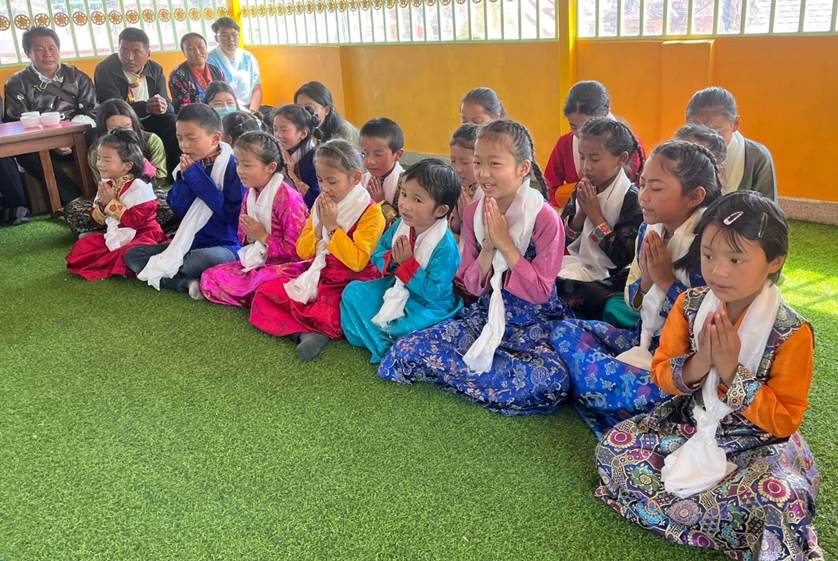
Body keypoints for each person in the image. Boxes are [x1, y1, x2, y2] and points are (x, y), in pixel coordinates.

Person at [595, 191, 821, 560]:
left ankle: (684, 512)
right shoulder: (690, 304)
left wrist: (732, 370)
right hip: (691, 423)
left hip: (757, 444)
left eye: (736, 259)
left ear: (773, 262)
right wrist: (702, 361)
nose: (718, 270)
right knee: (614, 449)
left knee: (783, 497)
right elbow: (663, 373)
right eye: (709, 255)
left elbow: (784, 419)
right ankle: (722, 524)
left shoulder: (792, 333)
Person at [377, 120, 569, 415]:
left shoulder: (545, 220)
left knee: (551, 382)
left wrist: (506, 245)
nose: (483, 174)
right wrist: (489, 250)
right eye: (478, 162)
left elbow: (542, 292)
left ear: (523, 168)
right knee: (405, 351)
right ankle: (486, 381)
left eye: (494, 164)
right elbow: (471, 285)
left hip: (532, 321)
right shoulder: (474, 213)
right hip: (483, 313)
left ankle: (470, 376)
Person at [550, 140, 721, 437]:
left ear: (694, 196)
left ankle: (624, 395)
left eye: (656, 189)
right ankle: (620, 394)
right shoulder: (650, 229)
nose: (643, 196)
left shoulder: (706, 246)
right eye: (642, 185)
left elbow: (703, 327)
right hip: (641, 338)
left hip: (680, 362)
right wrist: (647, 279)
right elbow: (633, 302)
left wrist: (666, 281)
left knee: (671, 393)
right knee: (565, 331)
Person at [249, 139, 386, 362]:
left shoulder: (371, 213)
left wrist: (332, 227)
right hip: (318, 272)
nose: (325, 188)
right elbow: (304, 252)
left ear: (355, 178)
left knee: (328, 314)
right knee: (264, 294)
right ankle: (303, 333)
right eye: (321, 180)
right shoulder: (321, 203)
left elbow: (357, 261)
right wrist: (320, 225)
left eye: (332, 181)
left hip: (350, 280)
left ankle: (315, 330)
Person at [341, 159, 463, 363]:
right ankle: (387, 342)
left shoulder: (446, 248)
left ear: (441, 210)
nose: (405, 204)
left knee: (409, 324)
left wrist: (408, 264)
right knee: (353, 292)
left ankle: (383, 341)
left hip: (428, 303)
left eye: (417, 200)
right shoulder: (401, 224)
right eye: (404, 194)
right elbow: (378, 253)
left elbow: (434, 293)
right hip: (397, 286)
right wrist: (395, 262)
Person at [124, 103, 244, 295]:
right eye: (180, 138)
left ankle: (181, 274)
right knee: (132, 255)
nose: (184, 145)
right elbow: (179, 209)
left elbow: (231, 217)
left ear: (215, 138)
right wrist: (186, 178)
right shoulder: (185, 167)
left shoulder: (233, 168)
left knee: (198, 261)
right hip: (190, 243)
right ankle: (185, 283)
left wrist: (196, 178)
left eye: (191, 138)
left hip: (224, 245)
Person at [199, 131, 308, 307]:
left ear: (270, 167)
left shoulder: (287, 197)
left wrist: (263, 237)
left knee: (267, 281)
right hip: (259, 261)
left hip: (289, 267)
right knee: (210, 275)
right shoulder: (250, 193)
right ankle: (258, 298)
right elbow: (244, 236)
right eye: (238, 164)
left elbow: (299, 250)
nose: (239, 171)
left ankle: (260, 297)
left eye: (247, 165)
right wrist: (251, 236)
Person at [556, 117, 644, 320]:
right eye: (582, 157)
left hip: (613, 277)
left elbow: (622, 258)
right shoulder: (583, 189)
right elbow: (564, 240)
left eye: (594, 159)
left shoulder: (632, 199)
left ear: (621, 158)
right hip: (579, 265)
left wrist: (596, 216)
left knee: (588, 294)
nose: (586, 166)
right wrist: (581, 213)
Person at [4, 27, 96, 206]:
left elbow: (92, 111)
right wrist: (52, 142)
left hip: (79, 137)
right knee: (27, 155)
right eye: (39, 49)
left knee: (104, 138)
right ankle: (77, 203)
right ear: (28, 53)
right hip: (39, 143)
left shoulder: (77, 77)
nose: (48, 54)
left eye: (52, 48)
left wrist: (70, 137)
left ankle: (109, 193)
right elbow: (16, 121)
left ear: (59, 50)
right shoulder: (16, 84)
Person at [65, 129, 166, 280]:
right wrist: (102, 205)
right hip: (118, 234)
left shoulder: (138, 186)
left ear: (127, 166)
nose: (100, 164)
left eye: (106, 160)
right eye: (99, 159)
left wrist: (111, 203)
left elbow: (134, 222)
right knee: (83, 247)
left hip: (143, 235)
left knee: (127, 253)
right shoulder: (106, 184)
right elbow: (96, 220)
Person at [63, 99, 171, 237]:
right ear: (104, 130)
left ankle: (113, 230)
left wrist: (140, 169)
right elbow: (101, 185)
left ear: (134, 124)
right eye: (113, 129)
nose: (121, 132)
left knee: (169, 204)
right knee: (73, 210)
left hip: (145, 197)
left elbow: (161, 179)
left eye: (127, 126)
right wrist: (110, 201)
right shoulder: (98, 151)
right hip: (114, 195)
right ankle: (114, 229)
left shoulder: (151, 140)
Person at [93, 27, 180, 176]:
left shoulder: (155, 69)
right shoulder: (104, 69)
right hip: (121, 123)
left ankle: (175, 176)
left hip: (151, 121)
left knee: (172, 122)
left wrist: (163, 106)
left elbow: (166, 101)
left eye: (136, 51)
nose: (129, 57)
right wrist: (145, 107)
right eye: (124, 50)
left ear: (147, 54)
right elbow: (113, 106)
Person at [544, 81, 645, 208]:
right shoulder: (564, 144)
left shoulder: (629, 146)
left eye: (595, 159)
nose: (580, 133)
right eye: (573, 126)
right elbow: (548, 189)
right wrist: (576, 201)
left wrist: (593, 208)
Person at [686, 86, 777, 201]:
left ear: (735, 124)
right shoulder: (676, 154)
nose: (706, 141)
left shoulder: (757, 158)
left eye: (717, 132)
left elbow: (768, 212)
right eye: (697, 131)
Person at [207, 17, 263, 111]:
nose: (231, 39)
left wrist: (252, 113)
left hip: (250, 108)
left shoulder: (248, 57)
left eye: (234, 34)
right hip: (224, 109)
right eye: (224, 35)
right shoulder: (210, 60)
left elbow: (257, 88)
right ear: (216, 38)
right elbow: (214, 93)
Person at [273, 104, 320, 208]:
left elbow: (315, 201)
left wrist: (292, 176)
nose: (278, 135)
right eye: (275, 129)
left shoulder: (317, 160)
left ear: (303, 134)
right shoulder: (276, 153)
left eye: (284, 130)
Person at [359, 117, 405, 227]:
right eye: (365, 154)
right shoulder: (362, 179)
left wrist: (381, 203)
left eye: (378, 154)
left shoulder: (406, 183)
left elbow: (405, 227)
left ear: (398, 154)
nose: (370, 161)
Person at [168, 33, 227, 112]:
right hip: (194, 119)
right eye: (190, 48)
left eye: (200, 47)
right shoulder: (178, 75)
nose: (197, 52)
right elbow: (185, 108)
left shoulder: (216, 71)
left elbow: (227, 94)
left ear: (206, 48)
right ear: (184, 52)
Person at [294, 81, 359, 144]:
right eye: (298, 108)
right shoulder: (301, 130)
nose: (302, 113)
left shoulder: (344, 133)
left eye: (308, 108)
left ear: (327, 110)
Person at [447, 123, 481, 240]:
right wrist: (457, 218)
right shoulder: (457, 187)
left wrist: (469, 215)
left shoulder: (491, 194)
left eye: (465, 162)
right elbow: (454, 228)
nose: (457, 169)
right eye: (453, 161)